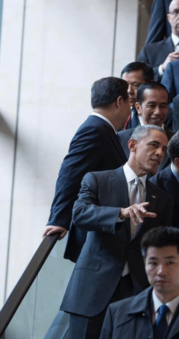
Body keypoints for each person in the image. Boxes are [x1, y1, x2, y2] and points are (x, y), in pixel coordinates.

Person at [60, 125, 173, 339]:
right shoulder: (97, 179)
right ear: (133, 144)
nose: (160, 153)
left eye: (164, 149)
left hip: (135, 296)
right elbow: (80, 214)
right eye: (154, 145)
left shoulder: (162, 198)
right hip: (91, 293)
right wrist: (120, 213)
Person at [44, 77, 130, 263]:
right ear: (120, 101)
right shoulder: (94, 130)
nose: (131, 107)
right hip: (91, 240)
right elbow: (70, 175)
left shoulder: (104, 130)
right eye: (130, 100)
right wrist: (58, 220)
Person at [118, 82, 174, 174]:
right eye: (152, 105)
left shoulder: (177, 141)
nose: (158, 112)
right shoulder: (120, 139)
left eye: (163, 106)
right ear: (138, 107)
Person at [138, 0, 179, 81]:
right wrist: (162, 69)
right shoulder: (149, 52)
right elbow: (138, 81)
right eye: (175, 12)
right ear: (169, 18)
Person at [121, 62, 155, 131]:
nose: (129, 91)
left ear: (150, 84)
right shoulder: (117, 113)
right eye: (125, 85)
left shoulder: (162, 114)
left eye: (135, 85)